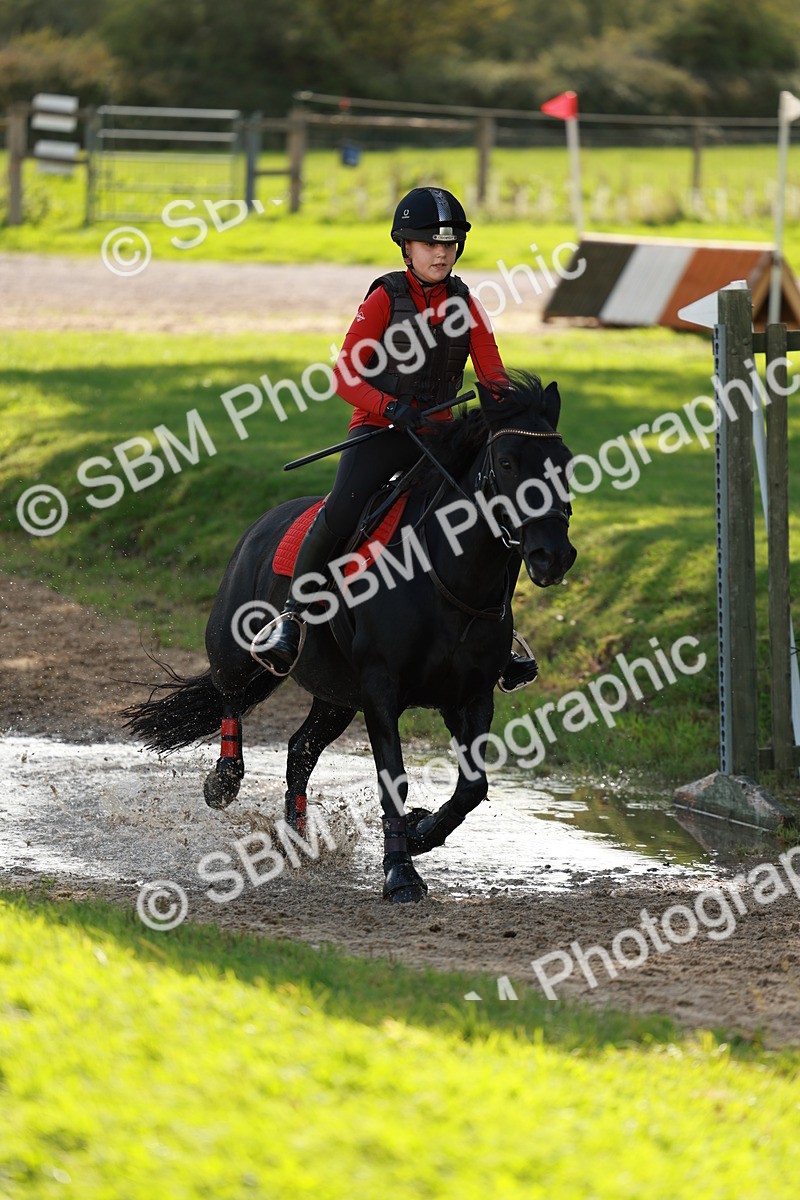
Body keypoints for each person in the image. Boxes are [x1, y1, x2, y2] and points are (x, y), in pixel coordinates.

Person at [252, 185, 538, 691]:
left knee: (495, 510)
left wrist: (516, 417)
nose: (441, 252)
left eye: (449, 244)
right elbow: (345, 377)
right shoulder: (384, 297)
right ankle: (292, 619)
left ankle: (501, 633)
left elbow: (493, 378)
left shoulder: (469, 305)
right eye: (430, 243)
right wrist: (390, 407)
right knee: (342, 510)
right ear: (406, 247)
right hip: (379, 431)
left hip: (441, 438)